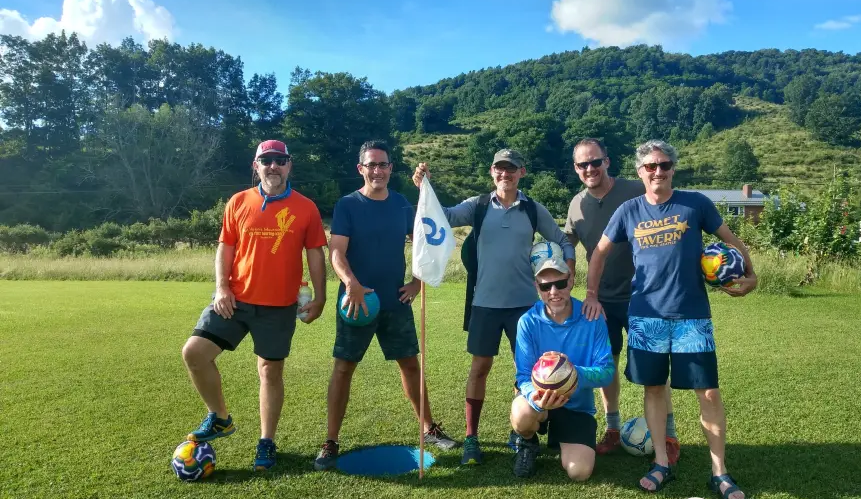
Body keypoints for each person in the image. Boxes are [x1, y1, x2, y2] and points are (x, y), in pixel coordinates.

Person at [583, 140, 757, 499]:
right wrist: (591, 294)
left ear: (673, 168)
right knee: (654, 388)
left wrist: (751, 276)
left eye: (664, 165)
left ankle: (719, 471)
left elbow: (732, 240)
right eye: (650, 166)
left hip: (692, 316)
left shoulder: (696, 204)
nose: (657, 171)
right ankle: (661, 463)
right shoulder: (629, 210)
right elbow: (599, 252)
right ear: (640, 171)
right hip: (646, 316)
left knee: (707, 392)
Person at [413, 149, 576, 466]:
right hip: (484, 304)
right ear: (492, 172)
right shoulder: (478, 205)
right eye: (500, 169)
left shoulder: (532, 209)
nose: (506, 174)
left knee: (526, 372)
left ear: (521, 173)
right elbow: (442, 216)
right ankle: (471, 439)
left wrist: (567, 274)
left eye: (512, 169)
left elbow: (562, 240)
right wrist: (425, 188)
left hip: (525, 308)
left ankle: (522, 434)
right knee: (479, 369)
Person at [181, 139, 328, 471]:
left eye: (280, 160)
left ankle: (266, 442)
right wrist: (221, 288)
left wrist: (320, 297)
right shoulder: (238, 201)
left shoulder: (306, 208)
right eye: (266, 160)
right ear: (255, 165)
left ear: (289, 165)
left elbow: (316, 253)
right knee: (194, 353)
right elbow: (226, 247)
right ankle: (219, 418)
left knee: (270, 371)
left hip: (278, 306)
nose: (273, 166)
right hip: (234, 300)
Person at [314, 140, 459, 471]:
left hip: (396, 301)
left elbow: (425, 243)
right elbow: (336, 251)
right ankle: (331, 440)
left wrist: (418, 282)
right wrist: (351, 284)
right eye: (371, 165)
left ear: (391, 169)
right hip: (356, 301)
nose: (377, 171)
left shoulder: (403, 205)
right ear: (360, 169)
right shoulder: (348, 205)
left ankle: (429, 429)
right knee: (344, 366)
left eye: (383, 165)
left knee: (410, 364)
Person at [564, 138, 680, 464]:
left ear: (608, 161)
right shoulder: (576, 205)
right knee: (607, 365)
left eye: (595, 162)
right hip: (601, 301)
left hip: (645, 298)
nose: (590, 169)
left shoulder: (634, 189)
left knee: (654, 370)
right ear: (575, 168)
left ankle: (668, 435)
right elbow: (567, 245)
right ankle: (613, 429)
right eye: (582, 164)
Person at [510, 245, 614, 480]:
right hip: (540, 403)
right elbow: (523, 375)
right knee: (521, 414)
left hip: (577, 407)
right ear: (537, 288)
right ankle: (527, 442)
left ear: (571, 280)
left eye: (560, 283)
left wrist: (571, 374)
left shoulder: (592, 317)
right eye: (546, 286)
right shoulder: (528, 322)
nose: (554, 291)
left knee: (580, 472)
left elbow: (607, 372)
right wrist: (535, 398)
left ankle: (563, 441)